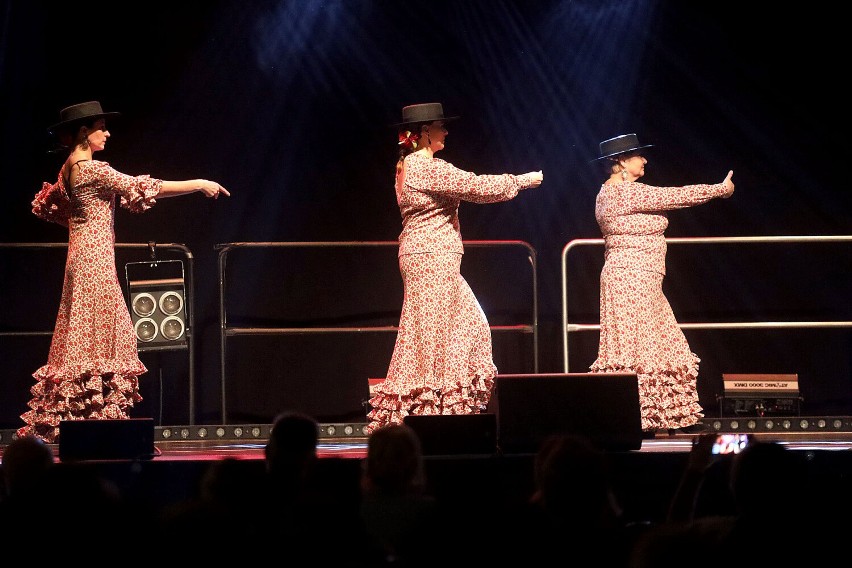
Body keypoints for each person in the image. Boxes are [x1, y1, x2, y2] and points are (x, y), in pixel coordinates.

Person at [18, 101, 230, 443]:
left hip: (80, 259)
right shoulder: (91, 169)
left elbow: (50, 206)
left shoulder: (67, 169)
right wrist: (199, 183)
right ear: (85, 133)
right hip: (94, 262)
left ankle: (86, 420)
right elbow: (148, 186)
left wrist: (82, 219)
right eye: (103, 127)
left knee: (87, 336)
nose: (108, 132)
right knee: (104, 335)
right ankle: (98, 422)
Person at [365, 102, 543, 433]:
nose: (446, 132)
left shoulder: (406, 167)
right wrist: (521, 181)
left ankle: (438, 410)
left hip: (429, 256)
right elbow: (475, 186)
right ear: (423, 134)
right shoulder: (425, 167)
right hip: (431, 257)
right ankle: (431, 414)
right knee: (440, 334)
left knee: (446, 331)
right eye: (440, 126)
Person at [589, 133, 734, 434]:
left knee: (659, 345)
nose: (644, 159)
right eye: (638, 155)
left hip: (640, 278)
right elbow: (676, 196)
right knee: (640, 348)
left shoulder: (608, 193)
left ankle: (665, 417)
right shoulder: (625, 193)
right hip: (633, 277)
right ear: (620, 163)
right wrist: (720, 189)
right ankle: (640, 418)